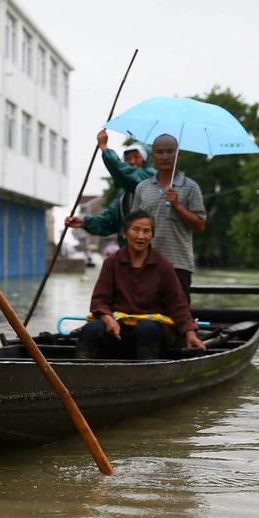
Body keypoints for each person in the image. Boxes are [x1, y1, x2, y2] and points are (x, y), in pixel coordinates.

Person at [78, 209, 206, 360]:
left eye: (146, 231)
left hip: (152, 334)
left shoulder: (163, 265)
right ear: (124, 234)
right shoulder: (111, 263)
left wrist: (190, 333)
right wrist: (108, 319)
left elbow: (178, 305)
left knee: (146, 328)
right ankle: (82, 370)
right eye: (136, 230)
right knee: (92, 328)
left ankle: (148, 373)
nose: (141, 236)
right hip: (118, 331)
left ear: (152, 235)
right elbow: (99, 301)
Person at [131, 133, 205, 301]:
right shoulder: (142, 188)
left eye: (170, 151)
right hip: (145, 263)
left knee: (177, 318)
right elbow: (133, 226)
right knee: (145, 317)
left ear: (178, 155)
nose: (165, 156)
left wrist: (178, 206)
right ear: (153, 155)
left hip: (178, 264)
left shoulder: (191, 187)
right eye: (160, 152)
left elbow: (200, 225)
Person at [64, 129, 154, 247]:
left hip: (152, 252)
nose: (132, 162)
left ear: (146, 161)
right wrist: (84, 222)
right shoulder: (124, 195)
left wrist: (104, 148)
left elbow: (124, 173)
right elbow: (108, 222)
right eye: (127, 159)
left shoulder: (150, 177)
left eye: (137, 157)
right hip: (128, 254)